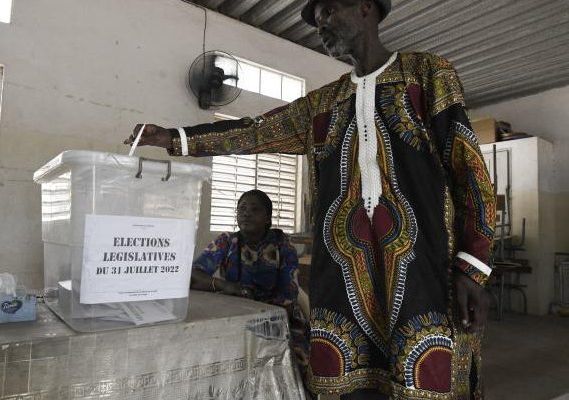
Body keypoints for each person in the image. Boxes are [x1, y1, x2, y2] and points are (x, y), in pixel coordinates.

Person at [124, 0, 495, 398]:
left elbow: (469, 169)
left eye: (329, 13)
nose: (321, 27)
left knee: (423, 378)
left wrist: (472, 267)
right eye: (317, 22)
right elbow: (255, 132)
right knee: (353, 387)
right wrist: (176, 138)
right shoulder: (322, 105)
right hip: (342, 281)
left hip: (423, 274)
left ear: (366, 7)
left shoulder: (427, 75)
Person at [190, 189, 309, 375]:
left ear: (268, 218)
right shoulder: (227, 242)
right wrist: (225, 285)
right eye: (242, 209)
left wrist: (257, 319)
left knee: (291, 361)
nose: (246, 213)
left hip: (279, 319)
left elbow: (288, 294)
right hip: (236, 316)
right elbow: (193, 276)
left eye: (255, 209)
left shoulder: (283, 244)